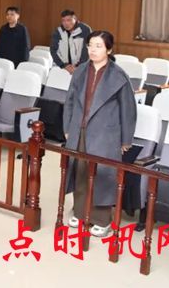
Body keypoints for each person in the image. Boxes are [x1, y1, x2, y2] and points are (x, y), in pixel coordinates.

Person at [63, 30, 136, 237]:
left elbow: (128, 110)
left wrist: (126, 140)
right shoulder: (80, 71)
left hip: (106, 133)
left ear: (109, 50)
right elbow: (69, 101)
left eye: (98, 46)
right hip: (80, 129)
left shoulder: (118, 75)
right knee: (80, 171)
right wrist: (67, 127)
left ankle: (102, 219)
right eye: (90, 45)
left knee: (103, 175)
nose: (93, 50)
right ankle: (79, 212)